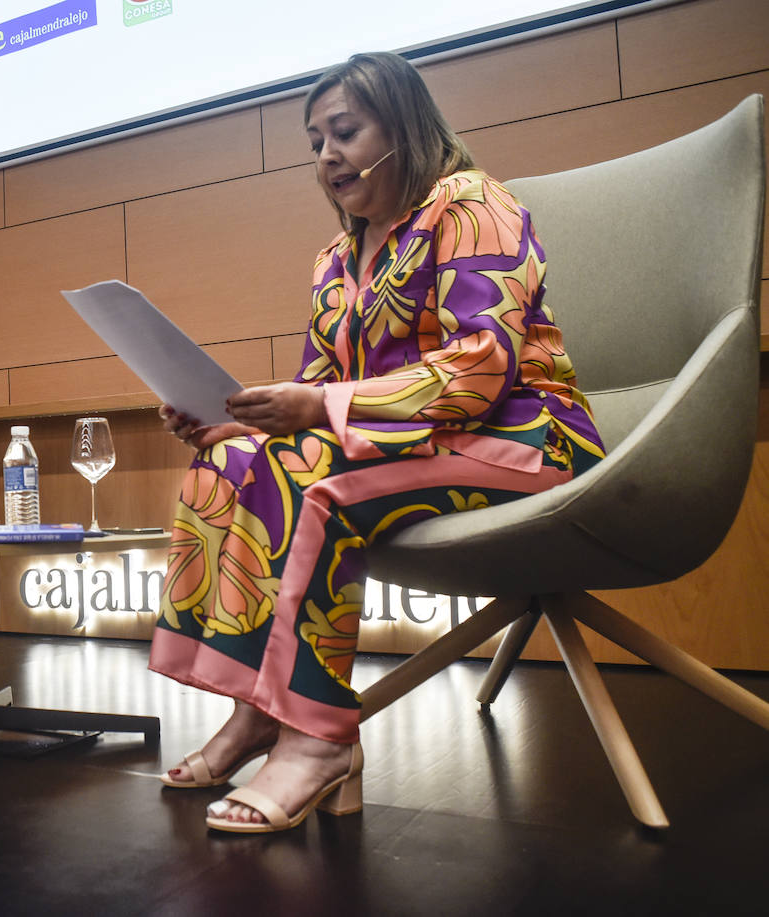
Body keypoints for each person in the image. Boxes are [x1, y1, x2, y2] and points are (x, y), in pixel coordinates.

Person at [152, 53, 605, 834]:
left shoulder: (471, 204)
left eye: (345, 131)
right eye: (314, 141)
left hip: (525, 437)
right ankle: (260, 708)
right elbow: (321, 384)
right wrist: (235, 423)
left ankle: (319, 738)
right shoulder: (334, 258)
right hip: (405, 444)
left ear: (403, 125)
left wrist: (318, 408)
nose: (326, 154)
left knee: (314, 475)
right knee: (227, 464)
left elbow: (479, 369)